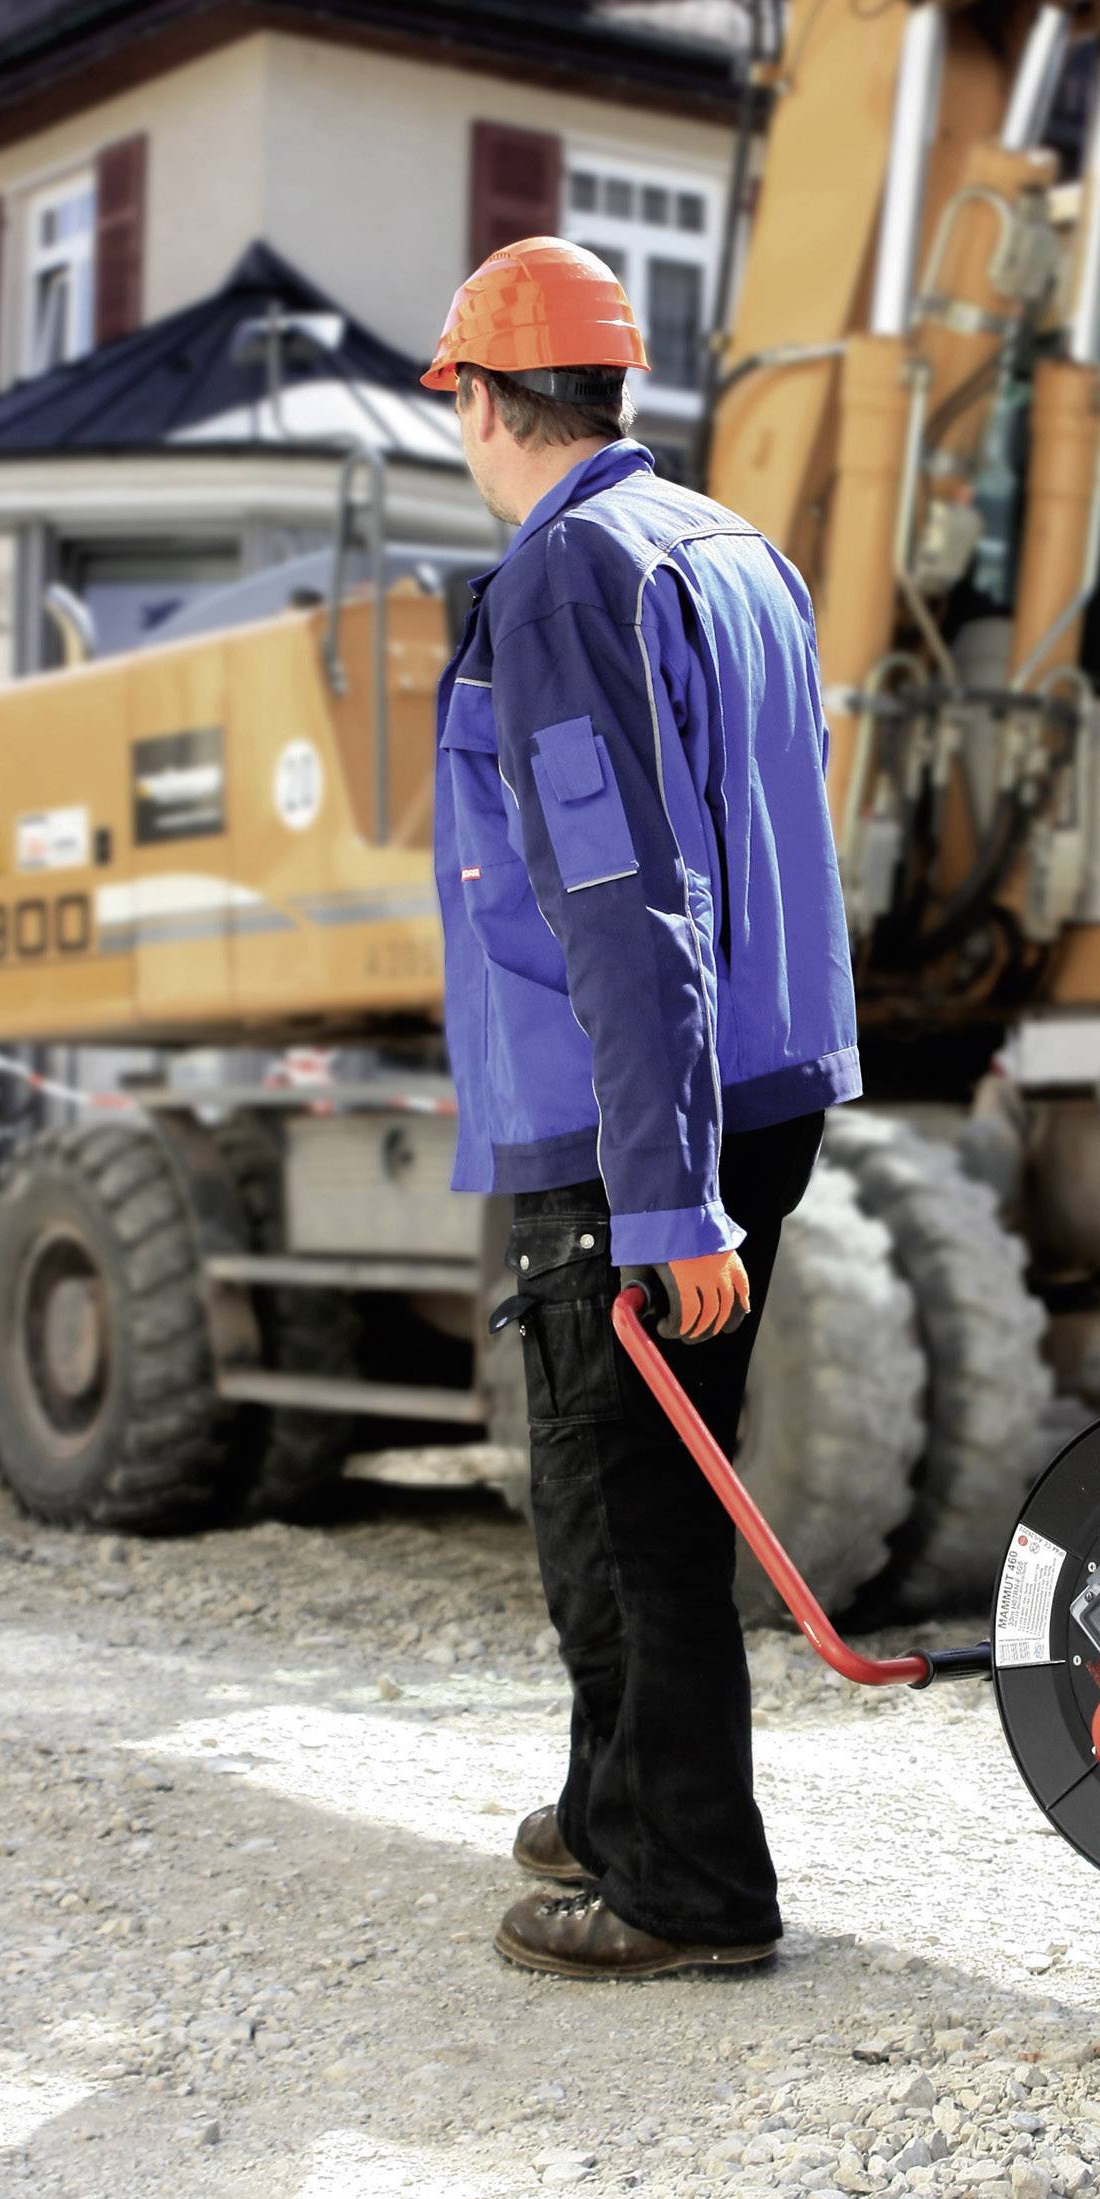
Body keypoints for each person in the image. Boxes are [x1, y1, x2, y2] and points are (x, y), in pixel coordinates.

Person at [420, 236, 861, 1979]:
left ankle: (686, 1881)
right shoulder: (730, 550)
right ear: (612, 386)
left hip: (632, 1121)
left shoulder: (564, 575)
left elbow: (619, 896)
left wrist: (665, 1199)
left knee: (625, 1499)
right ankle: (618, 1797)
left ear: (476, 398)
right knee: (630, 1474)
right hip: (755, 1085)